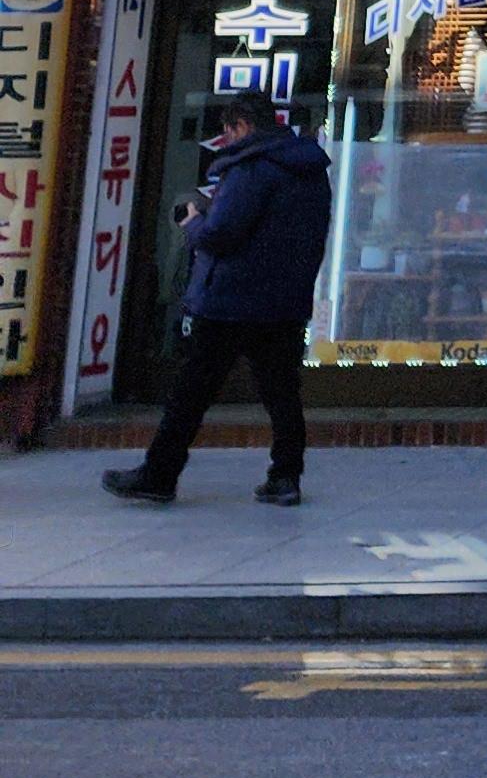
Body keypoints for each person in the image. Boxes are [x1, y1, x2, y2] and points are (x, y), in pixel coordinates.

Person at [103, 91, 333, 508]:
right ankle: (286, 477)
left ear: (241, 126)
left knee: (191, 393)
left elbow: (220, 235)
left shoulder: (251, 168)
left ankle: (159, 475)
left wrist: (194, 223)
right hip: (284, 302)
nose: (226, 140)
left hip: (231, 301)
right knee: (282, 394)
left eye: (228, 131)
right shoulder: (310, 170)